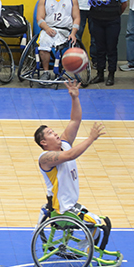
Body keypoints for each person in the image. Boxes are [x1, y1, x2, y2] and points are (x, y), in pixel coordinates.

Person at [34, 81, 107, 228]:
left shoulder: (65, 144)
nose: (55, 133)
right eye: (50, 133)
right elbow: (70, 156)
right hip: (61, 209)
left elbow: (75, 120)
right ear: (43, 142)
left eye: (53, 131)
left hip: (71, 205)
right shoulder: (46, 158)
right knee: (98, 225)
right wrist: (90, 138)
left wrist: (75, 98)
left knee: (103, 225)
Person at [35, 0, 79, 79]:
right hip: (49, 29)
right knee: (43, 44)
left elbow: (77, 17)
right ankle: (46, 72)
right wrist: (47, 28)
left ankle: (60, 68)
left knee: (62, 46)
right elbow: (39, 18)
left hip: (65, 30)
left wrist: (73, 33)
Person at [88, 0, 127, 86]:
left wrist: (115, 14)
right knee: (99, 48)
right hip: (97, 21)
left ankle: (111, 74)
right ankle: (100, 74)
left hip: (112, 22)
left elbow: (124, 3)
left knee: (111, 48)